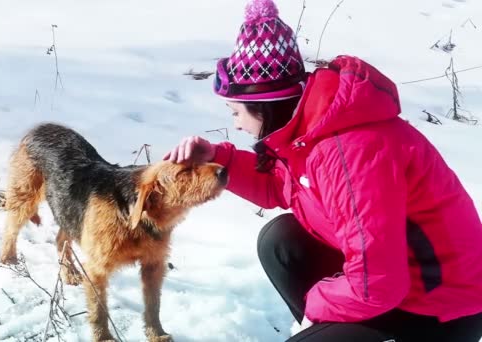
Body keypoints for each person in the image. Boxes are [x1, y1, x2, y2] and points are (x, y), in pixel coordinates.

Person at [163, 0, 482, 341]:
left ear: (265, 108)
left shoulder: (348, 153)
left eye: (235, 113)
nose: (236, 126)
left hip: (440, 306)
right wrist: (218, 159)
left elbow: (378, 284)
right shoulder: (311, 130)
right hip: (399, 278)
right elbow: (277, 188)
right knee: (282, 240)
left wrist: (316, 303)